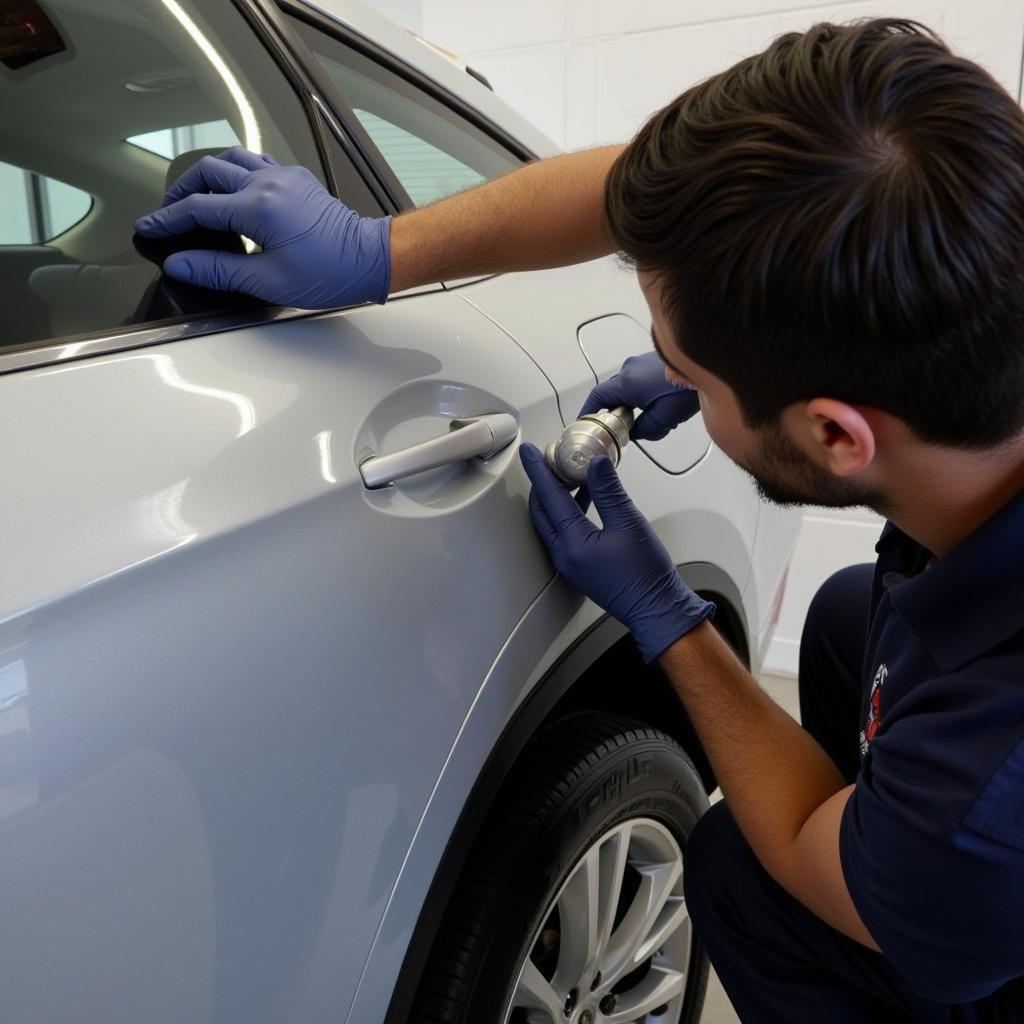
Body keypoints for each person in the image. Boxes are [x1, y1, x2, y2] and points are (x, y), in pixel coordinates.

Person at [135, 19, 1024, 1022]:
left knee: (747, 873)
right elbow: (623, 193)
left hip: (970, 868)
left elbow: (813, 840)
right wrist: (377, 248)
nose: (662, 365)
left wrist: (668, 618)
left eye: (681, 361)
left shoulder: (984, 797)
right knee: (848, 617)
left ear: (834, 432)